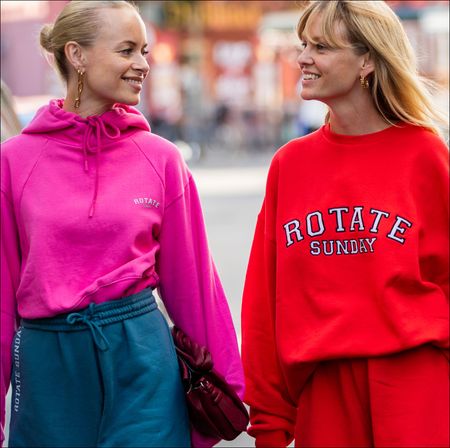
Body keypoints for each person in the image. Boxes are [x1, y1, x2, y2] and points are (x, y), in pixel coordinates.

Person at [0, 1, 244, 447]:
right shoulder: (14, 161)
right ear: (77, 55)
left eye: (145, 51)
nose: (143, 64)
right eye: (127, 50)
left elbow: (194, 285)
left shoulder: (161, 159)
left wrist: (229, 389)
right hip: (50, 366)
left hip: (143, 361)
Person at [241, 1, 449, 447]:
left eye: (321, 47)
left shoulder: (425, 155)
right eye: (303, 45)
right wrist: (270, 423)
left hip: (419, 389)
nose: (303, 58)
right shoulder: (290, 166)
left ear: (367, 60)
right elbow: (265, 304)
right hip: (325, 395)